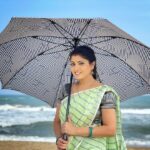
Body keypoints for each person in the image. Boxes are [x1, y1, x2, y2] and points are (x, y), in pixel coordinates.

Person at [53, 45, 127, 150]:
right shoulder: (66, 90)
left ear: (92, 65)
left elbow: (110, 129)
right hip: (69, 147)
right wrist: (59, 139)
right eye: (73, 64)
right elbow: (57, 121)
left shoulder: (105, 93)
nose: (76, 68)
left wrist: (75, 131)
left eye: (81, 63)